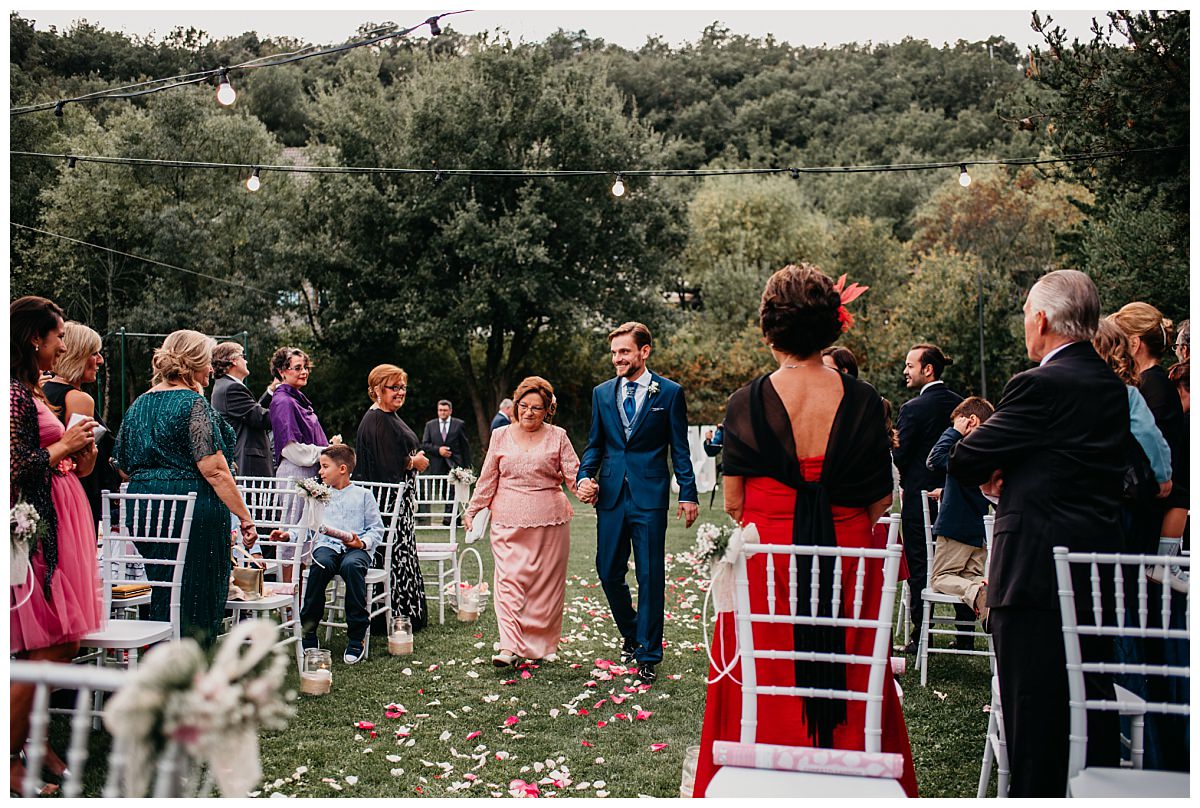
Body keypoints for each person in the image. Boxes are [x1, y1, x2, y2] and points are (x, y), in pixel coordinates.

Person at [692, 265, 916, 797]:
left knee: (759, 669)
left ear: (770, 328)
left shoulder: (746, 403)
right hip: (848, 579)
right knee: (855, 672)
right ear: (831, 327)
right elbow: (881, 501)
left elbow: (735, 503)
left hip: (768, 579)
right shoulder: (865, 403)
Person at [949, 269, 1125, 796]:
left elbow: (967, 455)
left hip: (1031, 575)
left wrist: (1002, 472)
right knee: (1089, 721)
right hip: (1092, 573)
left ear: (1043, 318)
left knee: (1034, 732)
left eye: (1027, 313)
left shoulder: (1039, 384)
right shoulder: (1111, 387)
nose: (1025, 323)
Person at [10, 297, 103, 796]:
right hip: (37, 528)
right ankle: (9, 757)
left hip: (62, 518)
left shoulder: (36, 392)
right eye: (58, 335)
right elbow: (13, 466)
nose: (63, 345)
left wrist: (81, 453)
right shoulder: (12, 396)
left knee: (64, 643)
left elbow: (66, 465)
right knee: (41, 647)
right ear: (35, 339)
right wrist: (63, 448)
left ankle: (35, 741)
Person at [113, 330, 260, 646]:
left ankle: (158, 661)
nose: (210, 369)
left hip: (144, 509)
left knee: (163, 587)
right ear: (193, 364)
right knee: (195, 592)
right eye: (207, 361)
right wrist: (245, 518)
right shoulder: (192, 403)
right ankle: (187, 672)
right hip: (190, 511)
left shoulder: (139, 403)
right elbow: (215, 470)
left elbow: (122, 466)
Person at [576, 322, 699, 683]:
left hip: (650, 495)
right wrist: (586, 475)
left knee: (650, 574)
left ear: (644, 352)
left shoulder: (670, 393)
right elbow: (595, 443)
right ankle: (632, 633)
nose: (617, 358)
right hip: (612, 494)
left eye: (624, 351)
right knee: (607, 569)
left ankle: (647, 653)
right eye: (614, 352)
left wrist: (688, 493)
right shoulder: (601, 393)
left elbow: (680, 448)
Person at [465, 376, 581, 666]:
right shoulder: (500, 435)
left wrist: (591, 490)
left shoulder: (559, 436)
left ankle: (543, 645)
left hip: (551, 521)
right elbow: (488, 477)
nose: (528, 412)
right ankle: (508, 647)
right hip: (507, 521)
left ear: (548, 411)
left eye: (537, 408)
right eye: (523, 406)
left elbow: (575, 476)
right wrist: (473, 509)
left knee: (546, 586)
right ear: (515, 405)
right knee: (508, 582)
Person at [273, 445, 384, 664]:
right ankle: (308, 631)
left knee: (352, 567)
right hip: (327, 546)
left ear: (342, 468)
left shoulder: (364, 495)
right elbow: (305, 525)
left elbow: (376, 528)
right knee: (320, 565)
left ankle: (356, 636)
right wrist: (289, 535)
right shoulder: (318, 496)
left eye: (324, 467)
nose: (320, 472)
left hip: (355, 548)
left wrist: (362, 542)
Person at [893, 343, 964, 650]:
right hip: (955, 497)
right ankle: (964, 635)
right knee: (960, 560)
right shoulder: (960, 406)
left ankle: (922, 634)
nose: (905, 371)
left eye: (910, 366)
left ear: (927, 369)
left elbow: (900, 454)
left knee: (920, 562)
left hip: (918, 498)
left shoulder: (912, 409)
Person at [1108, 303, 1189, 558]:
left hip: (1149, 509)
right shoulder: (1153, 383)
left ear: (1134, 344)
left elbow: (1151, 445)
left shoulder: (1152, 385)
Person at [353, 364, 429, 631]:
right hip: (387, 508)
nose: (400, 392)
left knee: (402, 555)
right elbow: (386, 467)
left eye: (403, 387)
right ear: (376, 390)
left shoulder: (388, 415)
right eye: (393, 387)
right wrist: (413, 462)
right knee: (393, 556)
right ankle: (394, 616)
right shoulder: (376, 421)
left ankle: (404, 614)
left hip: (399, 505)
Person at [43, 320, 120, 524]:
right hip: (76, 494)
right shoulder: (78, 399)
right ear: (77, 356)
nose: (100, 360)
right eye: (94, 353)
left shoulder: (41, 390)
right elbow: (82, 461)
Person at [925, 396, 994, 622]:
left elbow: (934, 459)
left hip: (956, 528)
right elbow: (973, 487)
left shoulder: (968, 448)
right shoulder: (989, 451)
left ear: (971, 421)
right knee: (971, 577)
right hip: (978, 533)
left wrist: (954, 432)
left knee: (940, 578)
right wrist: (947, 492)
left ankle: (978, 592)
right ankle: (984, 592)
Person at [268, 346, 334, 579]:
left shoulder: (297, 399)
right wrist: (327, 450)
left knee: (305, 538)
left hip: (307, 474)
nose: (304, 371)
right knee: (291, 537)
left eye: (305, 367)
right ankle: (288, 600)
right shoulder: (283, 401)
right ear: (281, 372)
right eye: (297, 368)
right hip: (295, 475)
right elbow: (291, 449)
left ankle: (299, 598)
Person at [210, 341, 276, 478]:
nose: (246, 361)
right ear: (233, 360)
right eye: (243, 357)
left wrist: (272, 390)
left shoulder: (225, 386)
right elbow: (260, 418)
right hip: (249, 464)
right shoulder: (231, 388)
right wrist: (290, 411)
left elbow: (251, 412)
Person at [421, 399, 472, 475]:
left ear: (450, 411)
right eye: (440, 410)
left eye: (445, 410)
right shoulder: (430, 425)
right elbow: (425, 445)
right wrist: (438, 450)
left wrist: (467, 467)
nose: (442, 412)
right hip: (436, 467)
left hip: (455, 465)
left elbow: (464, 446)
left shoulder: (459, 424)